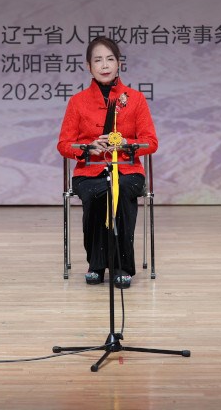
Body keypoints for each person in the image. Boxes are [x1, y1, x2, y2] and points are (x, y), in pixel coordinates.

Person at [57, 36, 157, 289]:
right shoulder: (78, 102)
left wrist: (124, 143)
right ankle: (96, 264)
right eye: (98, 60)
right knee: (98, 193)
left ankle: (122, 266)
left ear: (119, 64)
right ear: (88, 67)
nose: (104, 65)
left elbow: (151, 142)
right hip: (89, 171)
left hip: (127, 170)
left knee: (120, 189)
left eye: (110, 59)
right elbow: (64, 145)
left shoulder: (135, 99)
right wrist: (88, 147)